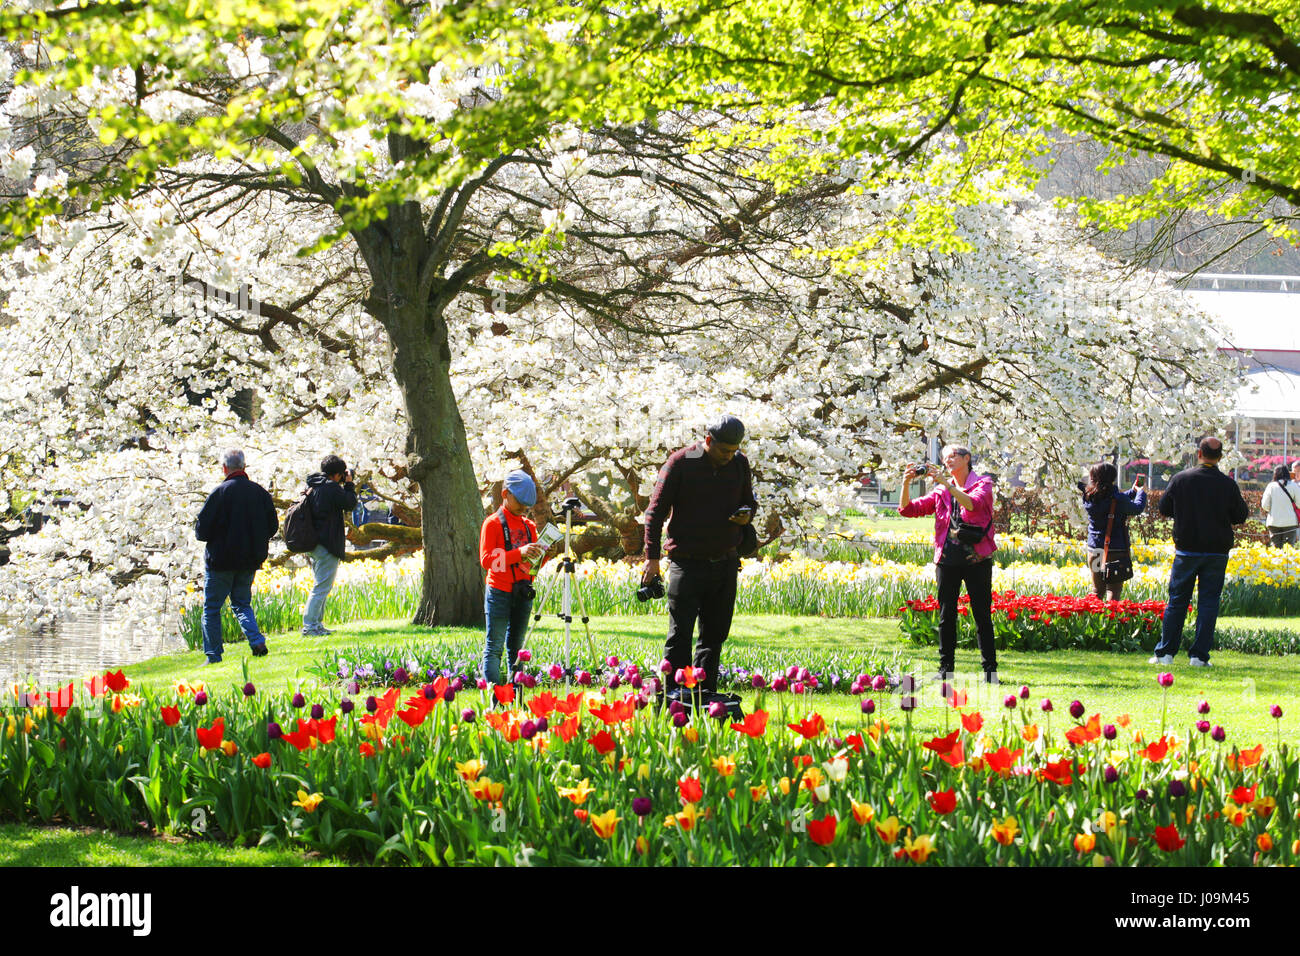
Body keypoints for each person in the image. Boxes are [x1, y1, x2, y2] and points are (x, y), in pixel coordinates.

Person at [642, 415, 757, 694]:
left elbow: (749, 501)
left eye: (734, 450)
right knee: (680, 634)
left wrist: (747, 515)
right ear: (708, 441)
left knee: (714, 636)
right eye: (724, 451)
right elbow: (655, 512)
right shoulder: (680, 463)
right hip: (687, 562)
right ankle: (674, 696)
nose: (729, 456)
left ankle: (705, 696)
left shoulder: (739, 463)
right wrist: (652, 558)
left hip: (726, 562)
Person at [899, 445, 999, 682]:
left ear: (967, 458)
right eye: (945, 458)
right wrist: (905, 484)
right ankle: (946, 670)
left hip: (977, 559)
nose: (948, 461)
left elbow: (972, 504)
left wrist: (946, 483)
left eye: (953, 456)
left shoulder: (983, 484)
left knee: (982, 616)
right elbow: (907, 510)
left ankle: (990, 673)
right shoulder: (940, 492)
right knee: (946, 615)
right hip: (947, 560)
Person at [1149, 436, 1249, 668]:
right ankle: (1199, 656)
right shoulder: (1227, 484)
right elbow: (1240, 516)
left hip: (1187, 549)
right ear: (1221, 457)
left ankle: (1166, 653)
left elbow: (1164, 508)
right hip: (1216, 551)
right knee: (1208, 603)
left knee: (1177, 601)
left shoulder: (1181, 479)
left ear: (1199, 454)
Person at [194, 448, 278, 664]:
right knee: (242, 603)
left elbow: (201, 531)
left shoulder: (220, 493)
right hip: (249, 560)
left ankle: (213, 654)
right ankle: (257, 640)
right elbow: (273, 527)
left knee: (212, 608)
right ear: (243, 467)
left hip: (221, 561)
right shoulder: (260, 493)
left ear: (224, 468)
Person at [480, 470, 546, 687]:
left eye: (527, 504)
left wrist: (542, 556)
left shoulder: (530, 527)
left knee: (517, 649)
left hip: (523, 591)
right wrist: (521, 553)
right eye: (520, 502)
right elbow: (488, 561)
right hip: (499, 592)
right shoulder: (493, 524)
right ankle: (494, 700)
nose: (523, 508)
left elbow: (531, 568)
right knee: (495, 647)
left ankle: (516, 696)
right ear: (505, 494)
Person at [301, 455, 357, 637]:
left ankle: (317, 625)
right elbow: (350, 503)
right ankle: (310, 626)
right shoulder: (331, 488)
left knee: (321, 584)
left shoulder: (313, 485)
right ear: (338, 474)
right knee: (322, 587)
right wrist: (349, 484)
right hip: (327, 543)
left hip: (313, 542)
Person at [1080, 462, 1147, 600]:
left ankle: (1095, 618)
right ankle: (1111, 620)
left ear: (1093, 477)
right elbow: (1136, 508)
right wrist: (1140, 493)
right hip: (1115, 549)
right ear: (1113, 478)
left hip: (1094, 549)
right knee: (1114, 591)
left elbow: (1112, 500)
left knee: (1097, 591)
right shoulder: (1118, 499)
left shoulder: (1088, 496)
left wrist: (1133, 491)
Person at [1262, 465, 1300, 548]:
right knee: (1289, 550)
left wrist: (1273, 509)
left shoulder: (1271, 486)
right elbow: (1299, 504)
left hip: (1274, 522)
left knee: (1276, 550)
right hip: (1290, 523)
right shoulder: (1294, 485)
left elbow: (1265, 505)